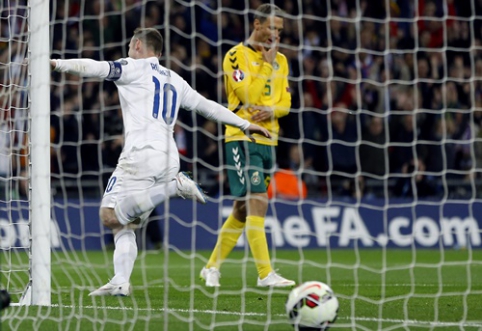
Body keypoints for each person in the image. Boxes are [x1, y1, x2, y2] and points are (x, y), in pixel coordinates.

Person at [50, 27, 271, 296]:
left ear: (138, 45)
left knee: (109, 215)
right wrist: (245, 124)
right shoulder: (175, 79)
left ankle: (174, 187)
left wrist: (56, 63)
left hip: (140, 154)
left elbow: (95, 68)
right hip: (168, 156)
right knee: (125, 224)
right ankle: (120, 280)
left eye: (131, 45)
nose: (129, 50)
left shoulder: (134, 66)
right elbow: (207, 106)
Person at [200, 4, 295, 288]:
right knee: (258, 201)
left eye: (279, 30)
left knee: (242, 209)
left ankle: (212, 266)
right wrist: (266, 64)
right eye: (271, 28)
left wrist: (273, 111)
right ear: (257, 24)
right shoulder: (235, 56)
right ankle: (265, 273)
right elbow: (247, 95)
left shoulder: (282, 61)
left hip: (270, 139)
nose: (275, 34)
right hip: (242, 137)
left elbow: (287, 103)